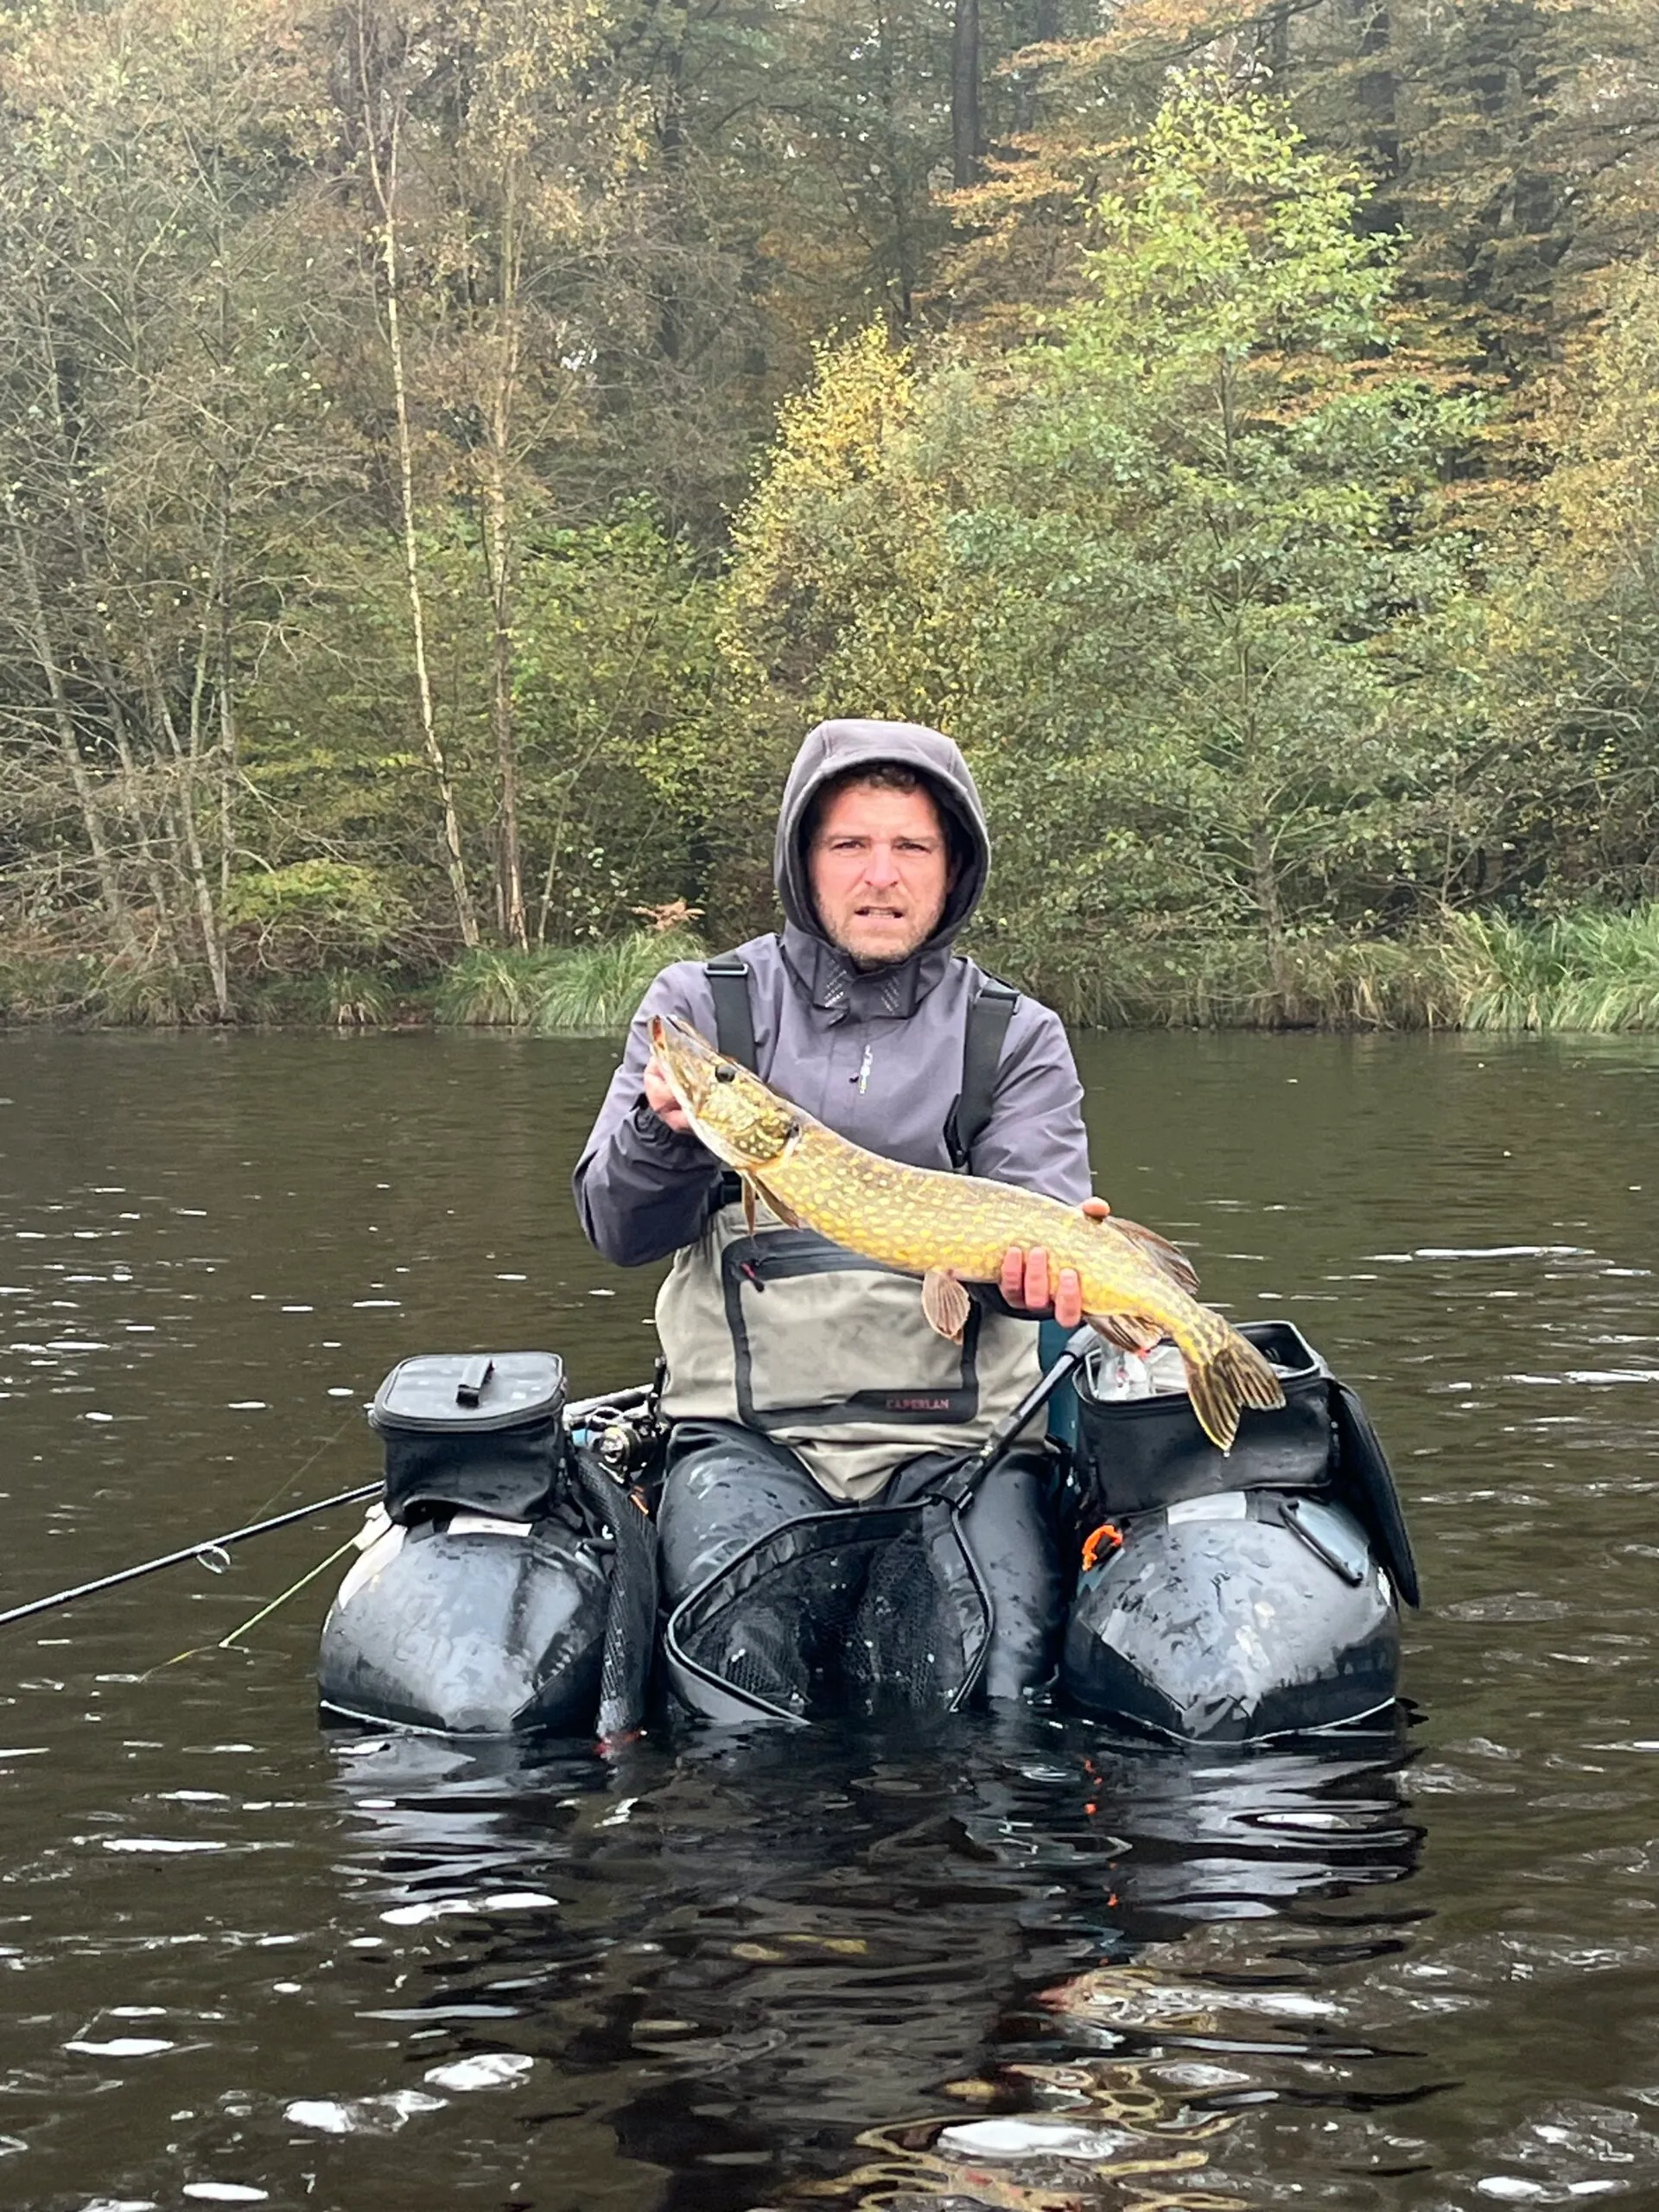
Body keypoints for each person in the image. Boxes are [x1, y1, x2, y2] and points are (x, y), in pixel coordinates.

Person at [574, 717, 1102, 1709]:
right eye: (849, 845)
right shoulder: (703, 1007)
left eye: (912, 847)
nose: (880, 875)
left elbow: (1044, 1231)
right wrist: (664, 1133)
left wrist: (1039, 1284)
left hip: (963, 1444)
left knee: (1000, 1682)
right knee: (735, 1669)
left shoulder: (1014, 1034)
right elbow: (619, 1230)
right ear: (803, 864)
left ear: (953, 872)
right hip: (748, 1439)